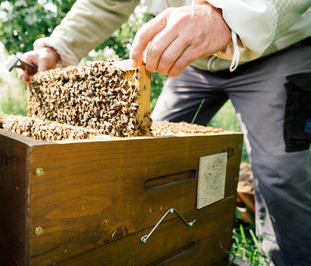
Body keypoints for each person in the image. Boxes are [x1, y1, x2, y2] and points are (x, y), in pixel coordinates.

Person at [17, 1, 311, 265]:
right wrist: (57, 46)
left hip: (276, 50)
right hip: (192, 64)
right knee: (149, 158)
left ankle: (292, 259)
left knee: (281, 172)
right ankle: (157, 246)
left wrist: (228, 15)